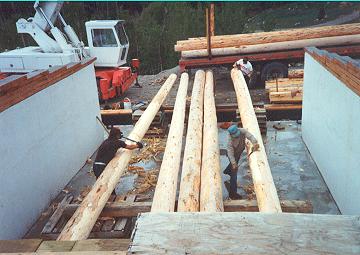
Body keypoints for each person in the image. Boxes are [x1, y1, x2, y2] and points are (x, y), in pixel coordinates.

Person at [223, 124, 259, 199]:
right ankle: (233, 194)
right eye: (235, 136)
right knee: (234, 174)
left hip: (239, 152)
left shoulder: (242, 131)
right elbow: (230, 152)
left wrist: (255, 143)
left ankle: (227, 171)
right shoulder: (230, 141)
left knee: (234, 167)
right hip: (232, 155)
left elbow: (250, 136)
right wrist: (233, 163)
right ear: (231, 135)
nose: (237, 136)